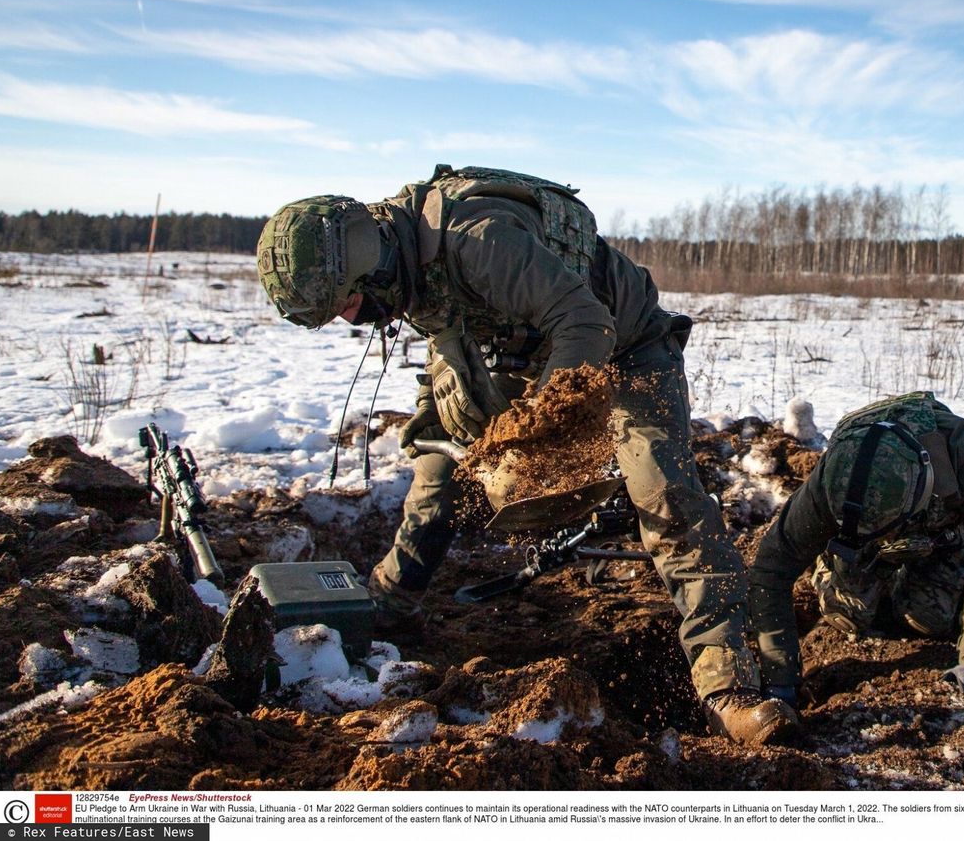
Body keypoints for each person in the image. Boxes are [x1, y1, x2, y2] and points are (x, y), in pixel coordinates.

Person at [256, 164, 797, 745]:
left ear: (371, 264)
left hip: (626, 346)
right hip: (520, 349)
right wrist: (446, 420)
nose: (354, 318)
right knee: (437, 471)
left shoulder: (479, 240)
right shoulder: (402, 253)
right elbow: (451, 333)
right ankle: (391, 601)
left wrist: (537, 438)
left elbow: (585, 320)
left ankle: (728, 687)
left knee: (665, 499)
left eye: (354, 305)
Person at [748, 392, 964, 706]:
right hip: (864, 541)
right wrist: (780, 680)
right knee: (845, 613)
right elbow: (772, 568)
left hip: (938, 535)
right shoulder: (830, 481)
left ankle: (915, 581)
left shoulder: (961, 447)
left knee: (929, 618)